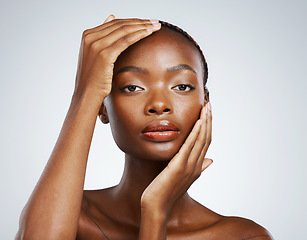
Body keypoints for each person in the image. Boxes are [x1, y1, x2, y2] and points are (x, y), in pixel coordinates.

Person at [15, 15, 273, 240]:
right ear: (103, 108)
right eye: (132, 87)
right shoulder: (71, 218)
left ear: (205, 103)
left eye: (181, 86)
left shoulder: (244, 237)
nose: (159, 105)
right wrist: (85, 94)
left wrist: (155, 210)